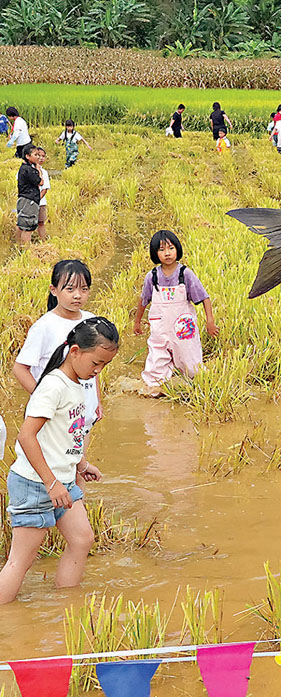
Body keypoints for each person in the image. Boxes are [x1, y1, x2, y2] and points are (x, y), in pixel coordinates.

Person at [0, 317, 119, 604]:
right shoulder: (53, 386)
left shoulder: (76, 383)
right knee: (20, 561)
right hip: (36, 483)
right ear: (75, 351)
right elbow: (27, 437)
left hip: (62, 482)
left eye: (104, 365)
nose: (98, 371)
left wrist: (81, 465)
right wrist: (51, 483)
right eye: (96, 363)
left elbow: (66, 435)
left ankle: (66, 609)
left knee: (82, 540)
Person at [13, 259, 103, 432]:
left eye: (84, 289)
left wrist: (97, 400)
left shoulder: (91, 321)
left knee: (78, 455)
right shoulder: (44, 327)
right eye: (70, 289)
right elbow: (19, 368)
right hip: (53, 414)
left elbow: (94, 363)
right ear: (53, 290)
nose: (77, 295)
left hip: (83, 410)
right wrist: (44, 399)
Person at [133, 230, 219, 396]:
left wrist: (210, 321)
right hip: (160, 326)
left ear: (177, 249)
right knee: (156, 362)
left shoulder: (185, 274)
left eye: (171, 248)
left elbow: (204, 297)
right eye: (161, 250)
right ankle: (156, 389)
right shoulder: (152, 277)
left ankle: (196, 389)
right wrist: (137, 322)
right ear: (155, 253)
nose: (167, 253)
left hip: (183, 327)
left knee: (190, 363)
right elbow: (144, 300)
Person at [15, 144, 42, 246]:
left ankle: (18, 247)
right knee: (27, 227)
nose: (38, 157)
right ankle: (26, 251)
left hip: (23, 199)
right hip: (29, 200)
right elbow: (40, 182)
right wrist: (38, 169)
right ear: (27, 156)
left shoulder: (24, 168)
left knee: (21, 224)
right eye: (35, 155)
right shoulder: (29, 170)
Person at [34, 146, 50, 241]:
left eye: (43, 156)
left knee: (41, 222)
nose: (41, 158)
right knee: (27, 224)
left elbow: (45, 189)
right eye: (38, 155)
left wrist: (37, 199)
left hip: (40, 202)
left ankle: (42, 242)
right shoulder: (27, 169)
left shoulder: (44, 172)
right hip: (28, 201)